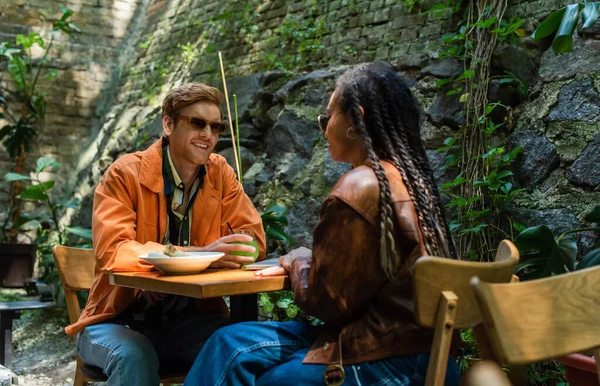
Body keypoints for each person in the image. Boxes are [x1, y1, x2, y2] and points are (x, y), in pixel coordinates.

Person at [183, 62, 461, 386]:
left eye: (328, 118)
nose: (324, 129)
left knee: (265, 376)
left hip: (386, 359)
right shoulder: (415, 182)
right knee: (228, 343)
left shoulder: (359, 189)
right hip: (417, 351)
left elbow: (329, 302)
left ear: (355, 121)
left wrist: (298, 260)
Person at [66, 82, 266, 386]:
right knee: (133, 355)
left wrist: (231, 250)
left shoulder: (220, 173)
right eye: (197, 123)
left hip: (186, 322)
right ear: (168, 124)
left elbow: (253, 240)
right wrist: (196, 257)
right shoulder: (125, 173)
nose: (208, 135)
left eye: (216, 127)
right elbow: (114, 252)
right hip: (115, 320)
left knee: (244, 345)